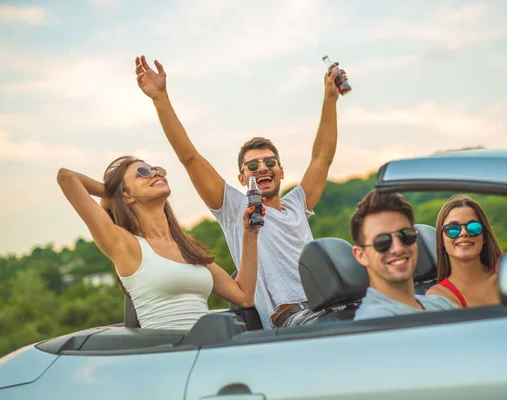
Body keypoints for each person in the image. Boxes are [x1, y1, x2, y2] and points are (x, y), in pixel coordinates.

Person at [134, 55, 347, 329]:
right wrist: (160, 98)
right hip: (293, 321)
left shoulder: (297, 205)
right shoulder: (236, 209)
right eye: (252, 165)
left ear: (281, 171)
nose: (262, 168)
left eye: (269, 162)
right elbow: (190, 157)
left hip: (331, 306)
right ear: (241, 177)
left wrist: (330, 99)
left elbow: (322, 157)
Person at [57, 156, 264, 330]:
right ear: (126, 194)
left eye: (156, 169)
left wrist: (250, 234)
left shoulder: (186, 247)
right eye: (143, 173)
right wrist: (113, 192)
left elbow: (244, 296)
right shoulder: (125, 245)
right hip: (168, 359)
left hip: (208, 352)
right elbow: (67, 177)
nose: (156, 173)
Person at [350, 190, 457, 320]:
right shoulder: (373, 324)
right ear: (361, 255)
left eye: (406, 235)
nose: (398, 248)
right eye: (382, 241)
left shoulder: (441, 304)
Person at [426, 195, 502, 308]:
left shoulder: (506, 277)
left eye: (473, 227)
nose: (463, 233)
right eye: (453, 228)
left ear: (484, 236)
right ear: (441, 239)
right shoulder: (439, 296)